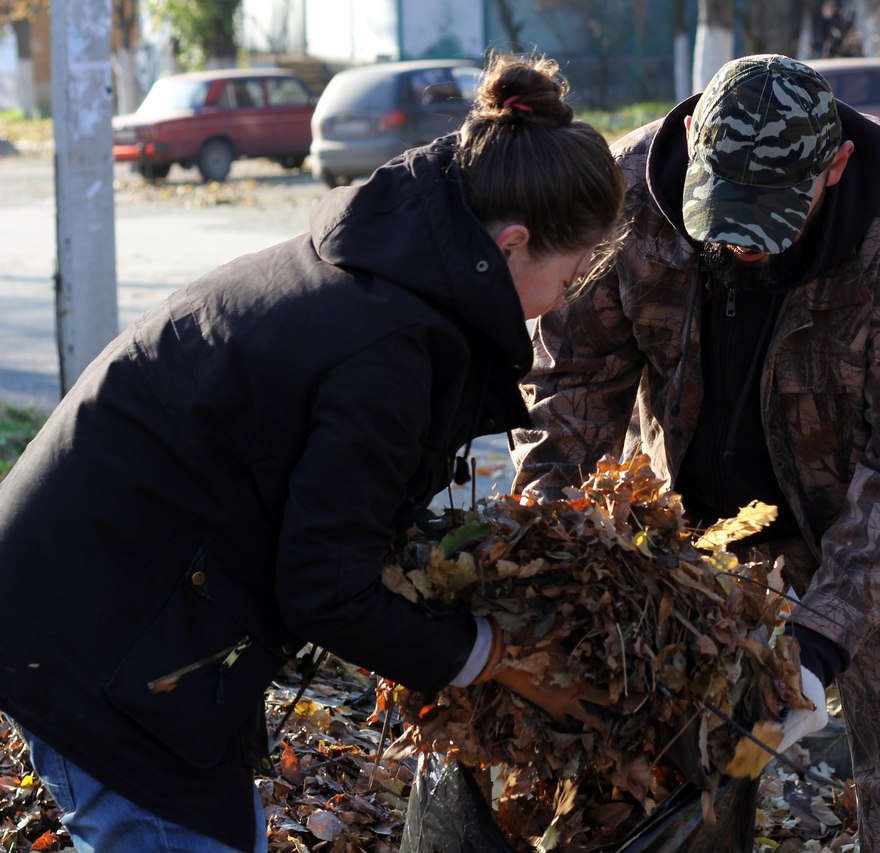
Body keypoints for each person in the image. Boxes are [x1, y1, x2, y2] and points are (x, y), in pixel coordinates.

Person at [0, 53, 624, 853]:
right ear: (511, 245)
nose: (566, 302)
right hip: (92, 626)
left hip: (129, 597)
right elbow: (324, 588)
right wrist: (494, 656)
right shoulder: (391, 350)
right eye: (571, 277)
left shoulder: (387, 266)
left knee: (222, 831)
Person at [511, 54, 880, 850]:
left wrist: (819, 642)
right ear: (697, 134)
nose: (738, 242)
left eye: (768, 214)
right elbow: (567, 386)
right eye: (723, 206)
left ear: (834, 166)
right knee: (645, 773)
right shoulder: (624, 195)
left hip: (869, 543)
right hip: (680, 541)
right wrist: (556, 545)